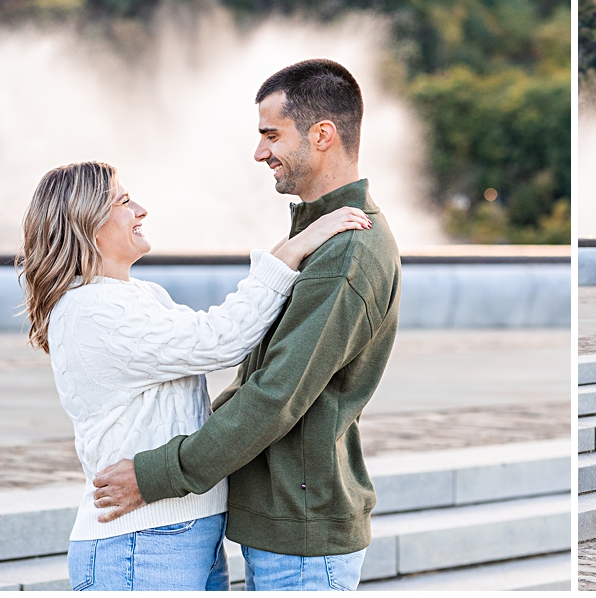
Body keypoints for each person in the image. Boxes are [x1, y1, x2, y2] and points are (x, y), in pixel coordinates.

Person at [91, 60, 401, 591]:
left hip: (301, 540)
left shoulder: (347, 254)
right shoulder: (321, 237)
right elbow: (256, 382)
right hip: (284, 527)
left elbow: (275, 395)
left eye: (271, 135)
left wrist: (157, 473)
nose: (260, 152)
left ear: (322, 135)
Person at [20, 159, 371, 591]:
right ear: (87, 222)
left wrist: (294, 246)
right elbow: (219, 340)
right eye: (124, 201)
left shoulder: (141, 295)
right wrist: (294, 248)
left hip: (186, 532)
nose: (141, 210)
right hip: (139, 541)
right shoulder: (93, 311)